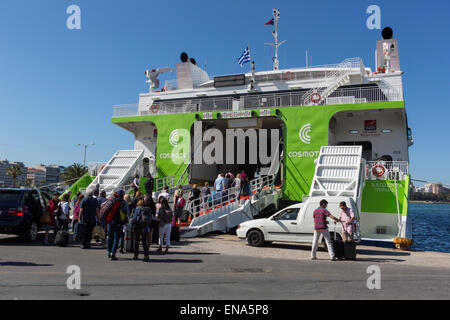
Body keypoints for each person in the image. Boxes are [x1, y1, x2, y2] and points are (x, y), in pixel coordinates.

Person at [106, 191, 125, 261]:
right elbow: (125, 211)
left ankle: (108, 251)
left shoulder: (111, 199)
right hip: (117, 222)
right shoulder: (121, 202)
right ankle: (113, 254)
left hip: (109, 221)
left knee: (110, 237)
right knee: (116, 238)